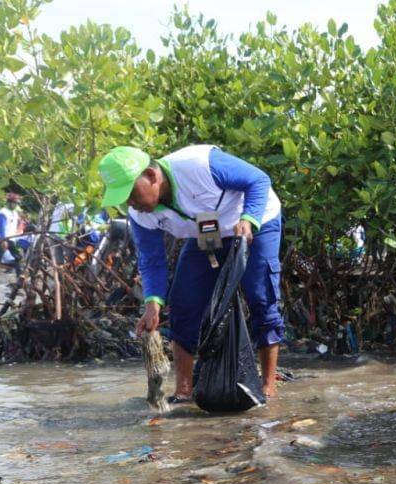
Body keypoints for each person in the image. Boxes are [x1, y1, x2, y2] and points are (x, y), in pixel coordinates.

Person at [97, 145, 284, 401]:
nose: (130, 203)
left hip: (257, 221)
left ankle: (267, 384)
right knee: (183, 303)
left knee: (260, 296)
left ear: (151, 176)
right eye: (123, 199)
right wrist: (152, 304)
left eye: (130, 193)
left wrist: (249, 217)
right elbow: (152, 260)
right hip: (208, 233)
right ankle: (184, 391)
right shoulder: (140, 215)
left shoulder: (200, 164)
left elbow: (258, 180)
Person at [0, 191, 26, 274]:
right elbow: (1, 227)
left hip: (11, 239)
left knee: (18, 257)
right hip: (2, 239)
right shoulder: (3, 212)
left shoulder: (14, 213)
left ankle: (20, 278)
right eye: (15, 203)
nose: (16, 205)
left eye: (17, 203)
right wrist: (4, 240)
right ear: (9, 202)